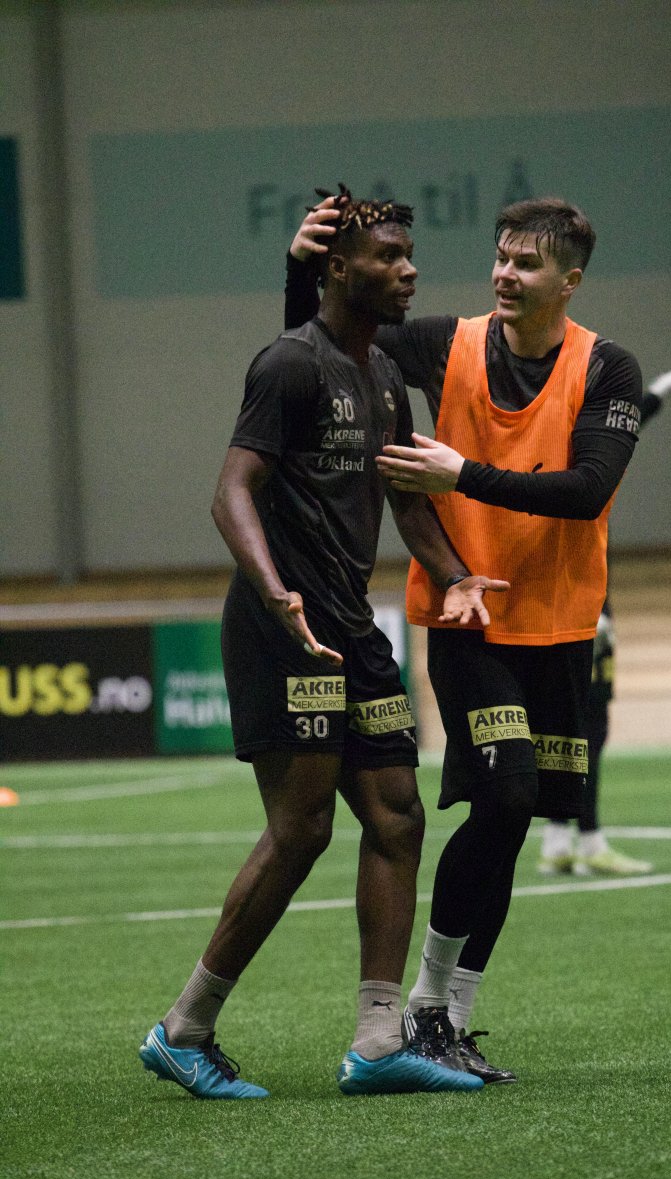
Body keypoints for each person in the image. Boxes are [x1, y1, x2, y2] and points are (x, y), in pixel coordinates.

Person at [139, 187, 511, 1101]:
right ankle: (183, 1029)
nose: (409, 268)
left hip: (353, 629)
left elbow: (408, 497)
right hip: (285, 633)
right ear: (338, 269)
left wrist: (455, 570)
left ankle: (379, 1042)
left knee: (397, 817)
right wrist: (275, 594)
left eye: (409, 254)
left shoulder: (382, 375)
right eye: (388, 255)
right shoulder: (289, 364)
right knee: (302, 830)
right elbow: (231, 490)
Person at [285, 192, 645, 1083]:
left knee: (511, 821)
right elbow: (319, 348)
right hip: (468, 614)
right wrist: (299, 269)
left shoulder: (610, 368)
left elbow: (587, 490)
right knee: (510, 796)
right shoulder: (447, 341)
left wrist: (461, 472)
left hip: (558, 624)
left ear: (570, 280)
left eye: (527, 263)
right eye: (500, 257)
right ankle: (423, 1007)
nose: (504, 273)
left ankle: (450, 1016)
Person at [539, 355, 671, 877]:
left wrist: (661, 389)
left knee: (575, 724)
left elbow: (626, 422)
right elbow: (559, 539)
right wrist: (588, 610)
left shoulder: (580, 452)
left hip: (589, 603)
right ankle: (586, 842)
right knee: (586, 725)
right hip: (576, 609)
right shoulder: (564, 466)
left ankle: (557, 839)